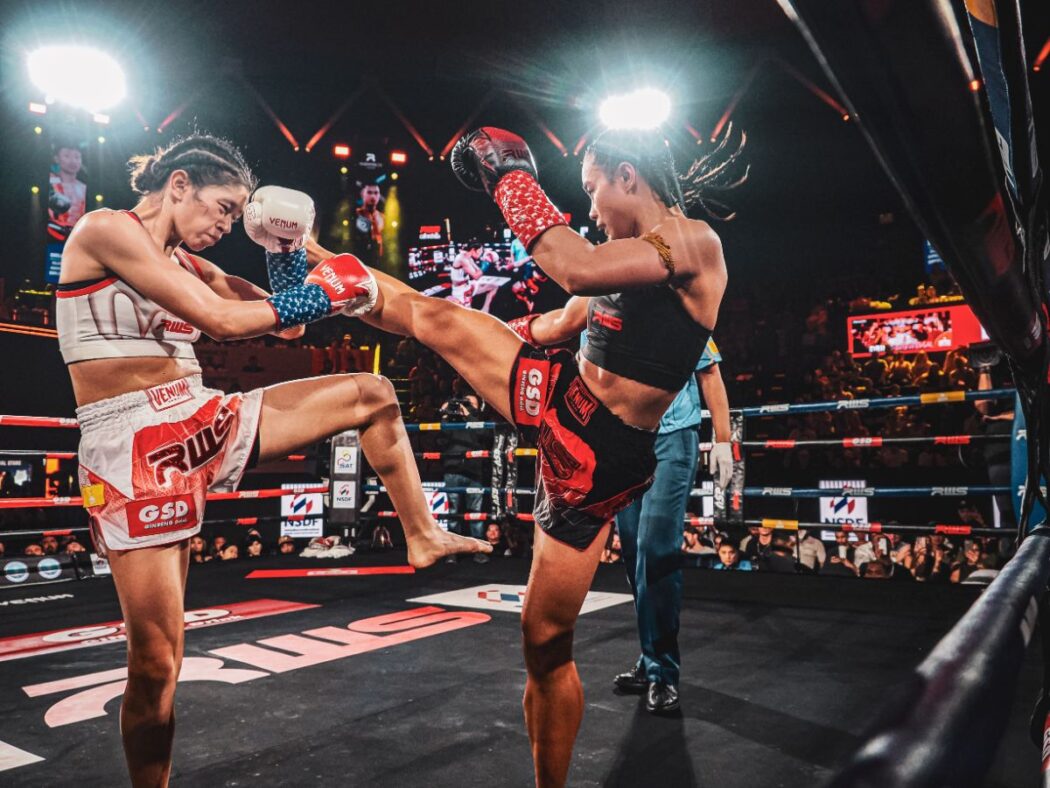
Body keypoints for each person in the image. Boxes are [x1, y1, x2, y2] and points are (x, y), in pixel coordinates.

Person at [309, 123, 745, 787]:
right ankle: (317, 269)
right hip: (561, 396)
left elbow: (574, 266)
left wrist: (510, 175)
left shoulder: (692, 243)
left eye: (596, 190)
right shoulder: (621, 255)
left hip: (601, 455)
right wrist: (489, 338)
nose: (592, 209)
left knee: (544, 642)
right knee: (437, 319)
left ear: (629, 176)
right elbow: (560, 320)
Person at [58, 133, 488, 788]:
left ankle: (422, 533)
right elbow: (224, 323)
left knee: (371, 393)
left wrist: (286, 253)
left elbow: (282, 324)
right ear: (180, 185)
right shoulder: (104, 230)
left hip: (202, 414)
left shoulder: (189, 264)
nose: (226, 225)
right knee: (156, 663)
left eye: (237, 215)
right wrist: (332, 292)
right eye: (223, 208)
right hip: (133, 443)